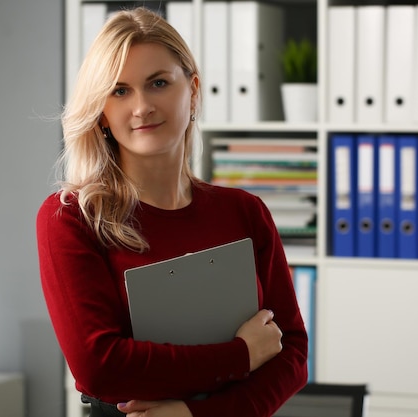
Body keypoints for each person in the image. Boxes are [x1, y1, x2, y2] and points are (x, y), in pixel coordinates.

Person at [36, 7, 308, 417]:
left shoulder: (244, 212)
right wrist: (239, 357)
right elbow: (100, 367)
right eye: (120, 91)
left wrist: (193, 414)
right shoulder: (71, 218)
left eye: (158, 83)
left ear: (193, 91)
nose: (141, 107)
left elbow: (292, 355)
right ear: (102, 113)